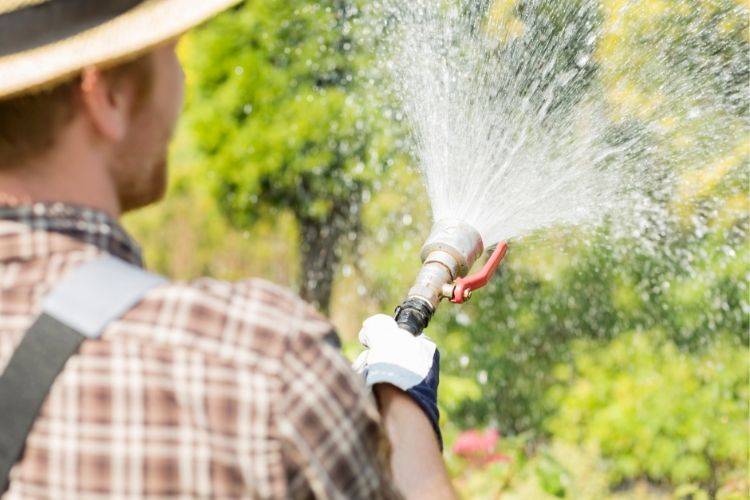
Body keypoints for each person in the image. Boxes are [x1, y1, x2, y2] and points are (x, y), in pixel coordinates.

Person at [0, 1, 456, 499]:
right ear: (107, 95)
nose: (180, 82)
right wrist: (402, 402)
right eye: (170, 53)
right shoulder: (258, 364)